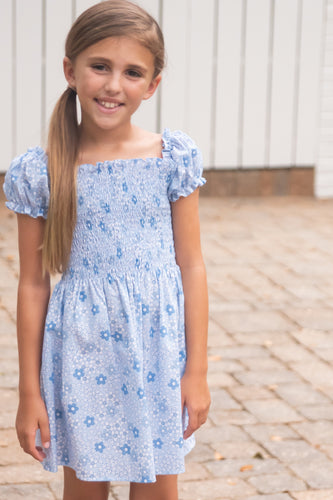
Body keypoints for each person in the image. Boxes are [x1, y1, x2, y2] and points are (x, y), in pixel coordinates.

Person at [3, 1, 210, 499]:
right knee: (86, 488)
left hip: (156, 348)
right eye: (100, 66)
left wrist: (196, 371)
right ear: (71, 71)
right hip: (81, 349)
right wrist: (29, 391)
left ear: (152, 84)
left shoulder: (170, 158)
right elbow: (32, 284)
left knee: (160, 489)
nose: (114, 84)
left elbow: (192, 265)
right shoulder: (42, 171)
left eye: (132, 72)